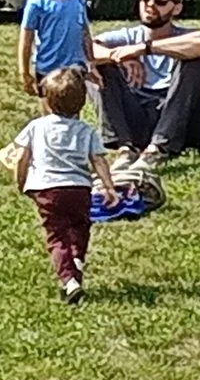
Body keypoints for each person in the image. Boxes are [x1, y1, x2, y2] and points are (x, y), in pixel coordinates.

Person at [10, 66, 120, 306]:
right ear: (81, 103)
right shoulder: (86, 131)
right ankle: (77, 258)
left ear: (47, 102)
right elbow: (98, 160)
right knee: (80, 227)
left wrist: (21, 181)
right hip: (79, 189)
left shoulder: (36, 127)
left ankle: (69, 280)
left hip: (47, 190)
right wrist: (109, 187)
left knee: (57, 236)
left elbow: (21, 158)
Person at [88, 0, 200, 167]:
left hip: (180, 124)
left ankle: (158, 149)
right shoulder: (127, 36)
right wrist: (117, 57)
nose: (150, 4)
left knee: (195, 61)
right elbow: (85, 49)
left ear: (177, 8)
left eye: (160, 0)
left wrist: (145, 48)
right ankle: (125, 148)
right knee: (96, 66)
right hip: (137, 119)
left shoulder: (186, 36)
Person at [16, 0, 91, 102]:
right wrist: (25, 72)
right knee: (51, 111)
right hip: (48, 70)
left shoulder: (78, 2)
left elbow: (85, 34)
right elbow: (26, 40)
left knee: (72, 109)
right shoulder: (37, 4)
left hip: (75, 69)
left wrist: (91, 63)